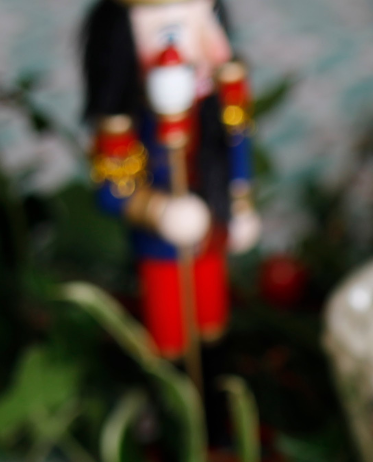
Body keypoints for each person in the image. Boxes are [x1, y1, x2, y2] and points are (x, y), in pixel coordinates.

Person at [81, 0, 260, 383]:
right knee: (170, 336)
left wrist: (241, 204)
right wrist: (159, 211)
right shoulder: (122, 125)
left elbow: (237, 147)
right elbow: (111, 192)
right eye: (170, 32)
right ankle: (176, 416)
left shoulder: (217, 104)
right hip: (161, 253)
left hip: (211, 233)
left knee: (213, 323)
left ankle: (217, 412)